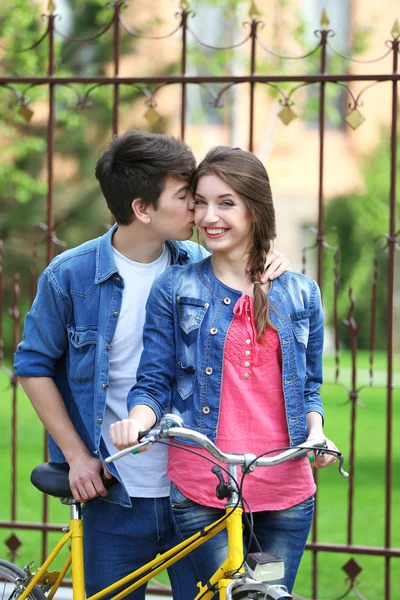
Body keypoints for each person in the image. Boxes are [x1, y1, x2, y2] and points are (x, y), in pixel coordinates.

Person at [13, 132, 289, 600]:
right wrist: (77, 456)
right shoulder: (70, 276)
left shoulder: (204, 265)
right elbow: (32, 366)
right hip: (112, 491)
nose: (199, 212)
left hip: (198, 490)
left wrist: (264, 261)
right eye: (186, 198)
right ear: (143, 209)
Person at [110, 145, 338, 595]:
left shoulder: (300, 294)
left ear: (255, 210)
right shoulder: (176, 287)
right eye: (201, 201)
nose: (208, 216)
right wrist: (137, 422)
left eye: (226, 202)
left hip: (286, 490)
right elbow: (155, 381)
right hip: (203, 489)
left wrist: (316, 432)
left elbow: (309, 388)